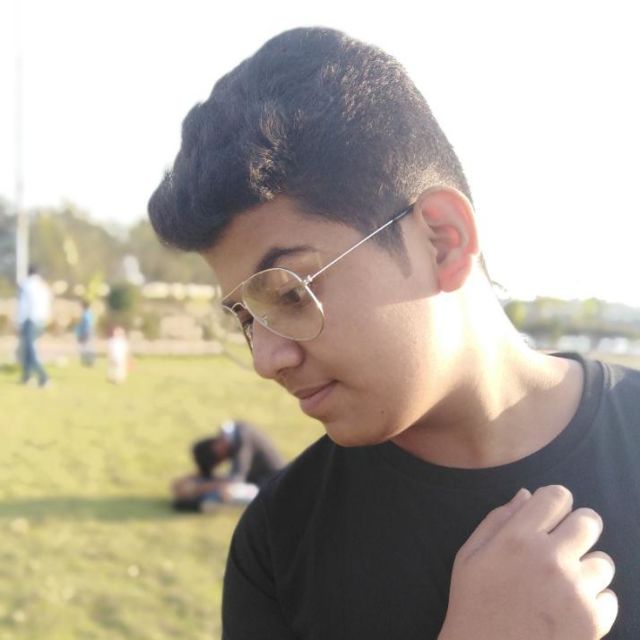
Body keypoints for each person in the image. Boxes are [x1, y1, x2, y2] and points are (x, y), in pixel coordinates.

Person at [148, 28, 638, 639]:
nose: (267, 359)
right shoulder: (278, 543)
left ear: (442, 240)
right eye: (247, 318)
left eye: (290, 293)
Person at [171, 419, 285, 512]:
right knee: (219, 487)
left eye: (217, 461)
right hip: (253, 481)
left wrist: (196, 489)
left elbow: (234, 481)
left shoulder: (242, 437)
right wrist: (191, 480)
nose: (222, 461)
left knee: (228, 492)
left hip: (270, 488)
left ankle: (200, 504)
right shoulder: (231, 436)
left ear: (216, 448)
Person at [17, 264, 52, 387]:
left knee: (30, 351)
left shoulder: (26, 285)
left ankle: (44, 377)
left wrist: (19, 322)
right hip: (40, 321)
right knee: (29, 349)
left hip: (29, 320)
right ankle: (26, 376)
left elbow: (23, 306)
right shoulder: (43, 285)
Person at [75, 300, 95, 367]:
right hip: (85, 332)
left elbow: (88, 325)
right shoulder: (86, 313)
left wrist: (85, 333)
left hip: (86, 332)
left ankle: (88, 361)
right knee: (85, 346)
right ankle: (86, 361)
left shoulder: (87, 314)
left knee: (86, 346)